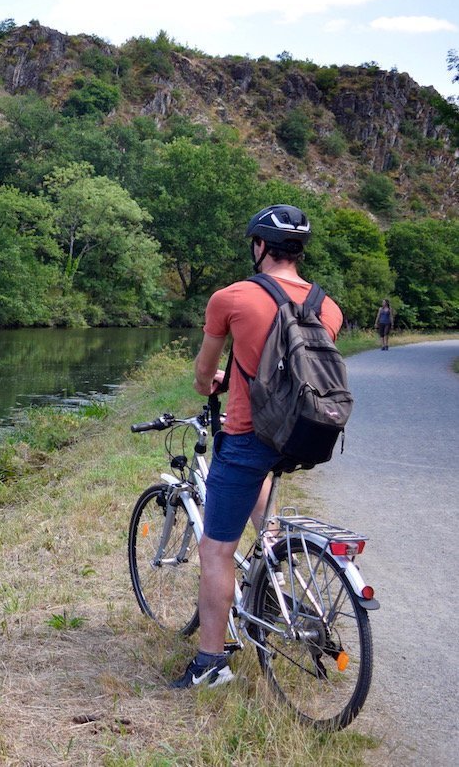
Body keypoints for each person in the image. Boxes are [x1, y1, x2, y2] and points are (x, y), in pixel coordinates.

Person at [176, 204, 344, 689]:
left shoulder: (231, 298)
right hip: (304, 435)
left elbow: (204, 375)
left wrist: (212, 384)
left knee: (216, 550)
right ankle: (273, 562)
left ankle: (211, 663)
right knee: (261, 487)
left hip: (251, 433)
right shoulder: (327, 306)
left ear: (259, 246)